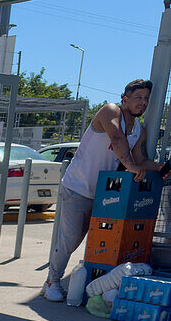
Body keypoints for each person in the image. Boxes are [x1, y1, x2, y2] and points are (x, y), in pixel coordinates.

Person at [43, 79, 171, 302]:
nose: (143, 103)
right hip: (77, 187)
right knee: (71, 239)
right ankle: (52, 282)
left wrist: (161, 167)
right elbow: (118, 140)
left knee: (105, 242)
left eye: (146, 99)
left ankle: (91, 286)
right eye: (138, 97)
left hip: (106, 194)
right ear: (125, 99)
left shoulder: (139, 129)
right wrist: (132, 167)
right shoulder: (110, 111)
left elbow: (141, 160)